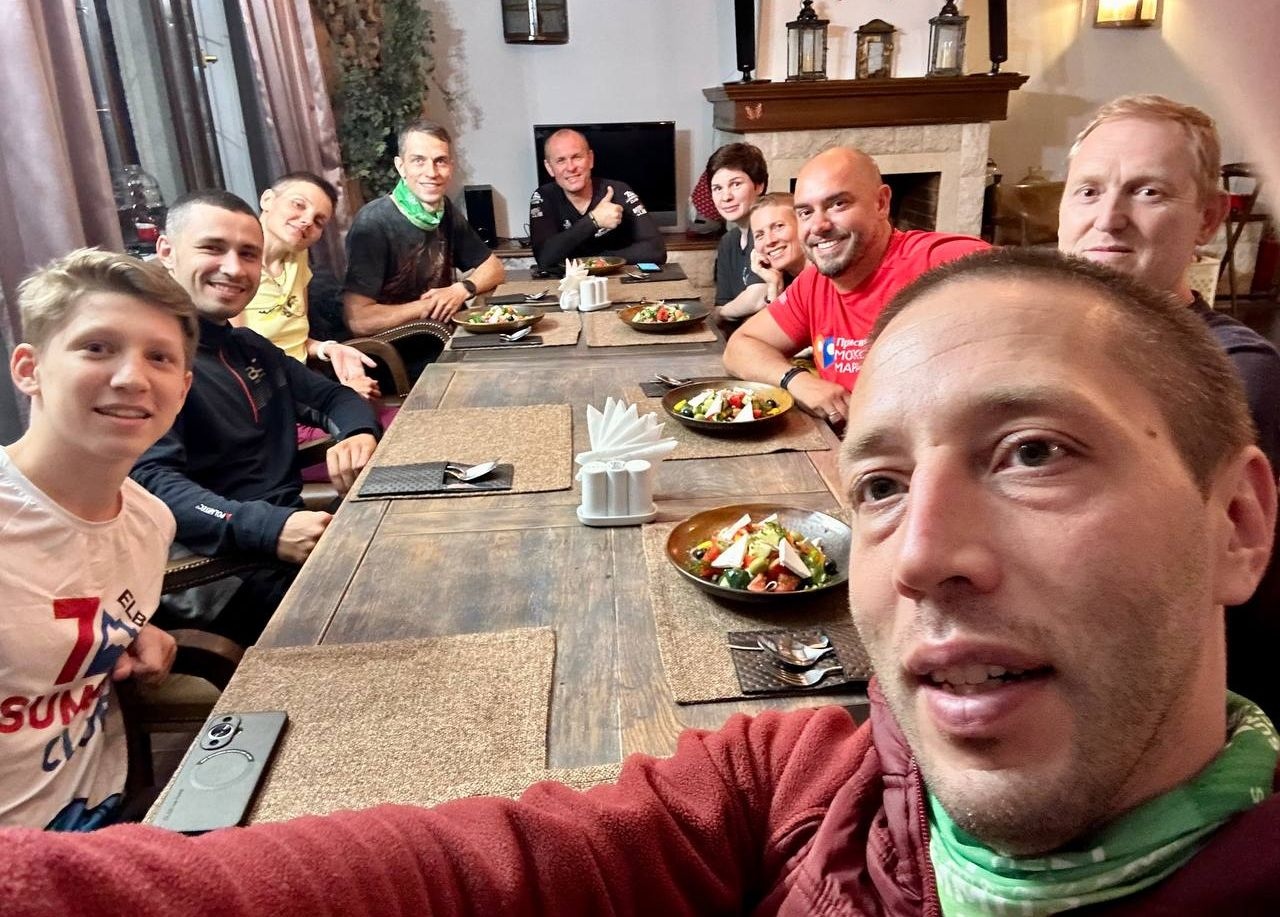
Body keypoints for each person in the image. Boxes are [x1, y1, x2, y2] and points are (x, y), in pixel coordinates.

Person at [4, 250, 1279, 912]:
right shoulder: (798, 777)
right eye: (880, 482)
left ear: (1235, 521)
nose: (921, 552)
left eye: (1033, 451)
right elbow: (455, 869)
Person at [1058, 94, 1280, 719]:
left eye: (1148, 192)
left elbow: (1140, 585)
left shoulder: (1233, 373)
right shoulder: (1048, 351)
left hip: (1174, 715)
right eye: (1088, 191)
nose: (1109, 218)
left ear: (1208, 218)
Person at [131, 190, 380, 646]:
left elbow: (333, 398)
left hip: (289, 539)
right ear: (166, 251)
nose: (233, 268)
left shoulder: (248, 347)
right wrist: (267, 529)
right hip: (219, 569)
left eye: (248, 254)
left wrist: (358, 433)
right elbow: (151, 484)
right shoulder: (149, 363)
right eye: (212, 248)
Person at [0, 249, 194, 830]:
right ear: (29, 369)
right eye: (96, 347)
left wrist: (130, 633)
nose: (132, 378)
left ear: (182, 389)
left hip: (107, 818)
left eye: (159, 357)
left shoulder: (151, 522)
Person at [722, 146, 987, 425]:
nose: (819, 225)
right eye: (805, 213)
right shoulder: (814, 284)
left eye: (838, 204)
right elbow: (740, 347)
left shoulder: (941, 263)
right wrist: (797, 380)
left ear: (881, 203)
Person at [343, 120, 504, 378]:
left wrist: (461, 289)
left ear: (450, 167)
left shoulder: (443, 210)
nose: (432, 172)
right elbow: (358, 320)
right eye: (419, 161)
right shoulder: (373, 223)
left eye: (440, 161)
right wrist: (427, 307)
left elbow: (494, 268)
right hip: (397, 358)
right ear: (401, 167)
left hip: (444, 339)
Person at [234, 171, 379, 400]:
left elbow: (295, 339)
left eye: (318, 221)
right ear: (268, 200)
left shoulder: (296, 257)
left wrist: (327, 348)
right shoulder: (235, 268)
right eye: (298, 204)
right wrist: (330, 394)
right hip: (266, 397)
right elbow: (235, 362)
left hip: (300, 384)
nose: (307, 221)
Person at [529, 128, 667, 273]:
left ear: (590, 159)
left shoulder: (619, 190)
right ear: (549, 168)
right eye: (560, 160)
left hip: (617, 280)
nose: (570, 167)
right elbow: (544, 259)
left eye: (577, 157)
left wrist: (598, 261)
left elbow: (656, 250)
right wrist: (593, 221)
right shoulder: (543, 196)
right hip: (569, 284)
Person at [718, 192, 807, 322]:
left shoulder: (826, 277)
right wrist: (773, 286)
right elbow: (776, 331)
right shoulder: (785, 279)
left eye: (778, 227)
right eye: (759, 235)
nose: (769, 241)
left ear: (803, 225)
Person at [705, 142, 768, 315]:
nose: (726, 197)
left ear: (759, 185)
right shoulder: (728, 241)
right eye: (717, 188)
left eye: (736, 184)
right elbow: (721, 304)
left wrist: (723, 313)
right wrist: (723, 313)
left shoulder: (767, 234)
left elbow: (758, 298)